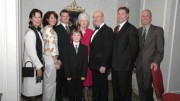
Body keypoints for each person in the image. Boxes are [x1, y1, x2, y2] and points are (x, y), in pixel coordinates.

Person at [136, 9, 164, 101]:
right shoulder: (138, 30)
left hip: (150, 66)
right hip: (139, 65)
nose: (145, 18)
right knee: (141, 88)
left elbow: (160, 50)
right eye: (143, 16)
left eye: (147, 16)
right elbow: (137, 49)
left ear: (151, 17)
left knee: (148, 89)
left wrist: (156, 62)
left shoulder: (158, 30)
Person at [112, 7, 139, 101]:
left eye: (122, 13)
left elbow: (135, 49)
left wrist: (130, 65)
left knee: (124, 91)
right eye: (118, 13)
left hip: (125, 67)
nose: (120, 16)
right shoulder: (116, 28)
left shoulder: (131, 29)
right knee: (116, 89)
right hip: (115, 66)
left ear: (127, 15)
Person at [89, 10, 114, 101]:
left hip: (101, 65)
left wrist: (104, 65)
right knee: (96, 86)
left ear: (102, 18)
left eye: (98, 16)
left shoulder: (108, 30)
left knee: (102, 87)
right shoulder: (95, 30)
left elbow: (108, 50)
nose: (95, 18)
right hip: (94, 65)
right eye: (94, 17)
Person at [22, 8, 44, 101]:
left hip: (35, 63)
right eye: (35, 17)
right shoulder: (31, 33)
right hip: (32, 65)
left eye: (39, 17)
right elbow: (32, 53)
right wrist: (39, 67)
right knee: (31, 91)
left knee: (34, 90)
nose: (38, 19)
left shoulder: (38, 31)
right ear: (31, 18)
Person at [63, 28, 88, 101]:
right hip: (70, 75)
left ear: (81, 37)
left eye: (78, 35)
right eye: (74, 35)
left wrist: (84, 74)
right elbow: (65, 63)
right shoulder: (66, 48)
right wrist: (67, 75)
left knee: (79, 92)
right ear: (71, 36)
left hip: (80, 75)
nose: (76, 37)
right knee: (71, 93)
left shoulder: (84, 48)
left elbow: (85, 62)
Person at [42, 11, 61, 101]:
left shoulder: (45, 28)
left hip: (47, 57)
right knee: (50, 83)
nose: (54, 19)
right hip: (50, 58)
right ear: (47, 19)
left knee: (48, 82)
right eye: (51, 18)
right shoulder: (50, 30)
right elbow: (52, 47)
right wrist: (55, 61)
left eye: (55, 17)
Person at [54, 9, 72, 101]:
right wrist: (57, 59)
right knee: (59, 80)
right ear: (60, 18)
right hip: (60, 59)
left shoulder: (73, 28)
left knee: (68, 79)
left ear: (69, 17)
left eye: (67, 16)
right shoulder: (56, 29)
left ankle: (67, 95)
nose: (65, 18)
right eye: (63, 16)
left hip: (71, 59)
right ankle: (58, 97)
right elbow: (55, 45)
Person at [76, 12, 93, 101]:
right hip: (77, 60)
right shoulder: (75, 32)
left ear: (88, 22)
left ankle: (85, 95)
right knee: (78, 78)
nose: (83, 22)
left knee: (87, 79)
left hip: (88, 59)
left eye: (85, 21)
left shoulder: (91, 32)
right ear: (79, 21)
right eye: (82, 21)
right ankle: (78, 94)